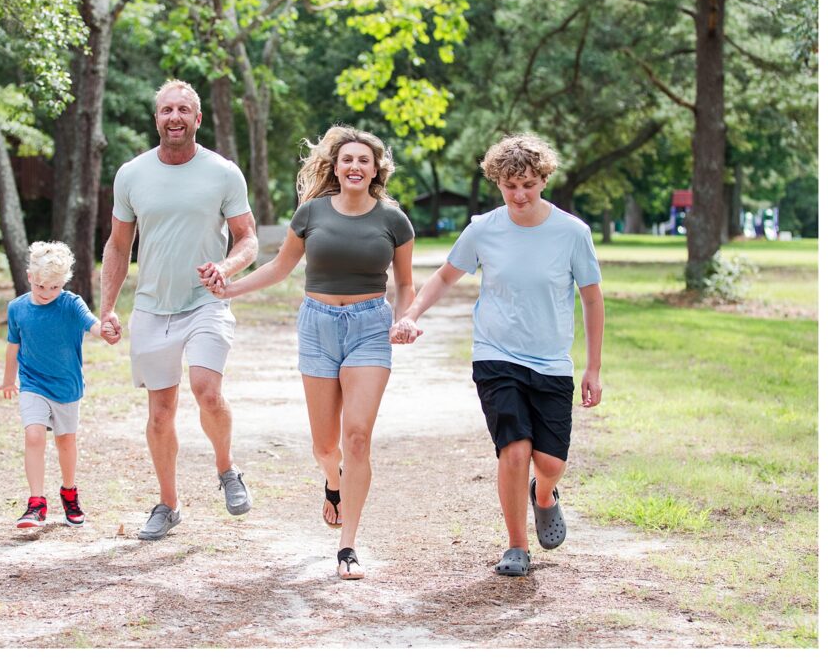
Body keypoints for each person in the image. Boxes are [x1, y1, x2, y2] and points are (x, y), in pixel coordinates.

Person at [201, 126, 415, 580]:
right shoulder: (310, 212)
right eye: (347, 160)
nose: (355, 166)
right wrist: (231, 288)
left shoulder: (394, 221)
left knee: (357, 437)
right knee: (325, 445)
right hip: (317, 326)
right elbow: (281, 266)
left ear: (376, 169)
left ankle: (348, 546)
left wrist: (405, 318)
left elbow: (407, 283)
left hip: (370, 328)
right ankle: (333, 483)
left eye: (364, 160)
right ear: (335, 168)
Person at [391, 133, 604, 577]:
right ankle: (516, 547)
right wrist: (410, 314)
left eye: (527, 183)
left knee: (550, 462)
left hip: (550, 362)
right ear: (498, 184)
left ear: (544, 179)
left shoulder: (572, 233)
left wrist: (593, 367)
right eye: (510, 186)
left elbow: (592, 298)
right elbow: (446, 277)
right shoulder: (484, 228)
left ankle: (543, 495)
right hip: (496, 355)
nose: (519, 194)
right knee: (514, 447)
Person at [99, 79, 258, 541]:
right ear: (156, 119)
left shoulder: (223, 172)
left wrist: (225, 267)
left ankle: (226, 469)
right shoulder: (131, 174)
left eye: (183, 110)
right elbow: (118, 243)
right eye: (166, 110)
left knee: (207, 391)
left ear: (197, 119)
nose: (174, 117)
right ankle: (168, 505)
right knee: (160, 414)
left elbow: (248, 238)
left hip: (206, 301)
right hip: (151, 306)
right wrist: (108, 308)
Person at [0, 241, 109, 529]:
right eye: (41, 287)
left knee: (65, 442)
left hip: (66, 387)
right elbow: (13, 346)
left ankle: (69, 493)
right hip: (32, 383)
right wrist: (9, 379)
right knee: (34, 436)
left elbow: (93, 325)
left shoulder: (71, 304)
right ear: (30, 277)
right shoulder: (17, 308)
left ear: (64, 283)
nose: (47, 294)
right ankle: (36, 503)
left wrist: (105, 332)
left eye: (54, 288)